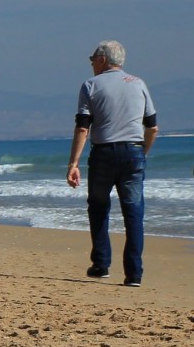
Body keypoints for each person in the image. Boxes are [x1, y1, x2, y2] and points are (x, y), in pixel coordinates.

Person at [67, 40, 157, 287]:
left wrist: (73, 163)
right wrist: (142, 153)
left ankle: (101, 264)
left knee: (98, 207)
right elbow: (152, 126)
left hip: (104, 153)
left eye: (92, 58)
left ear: (102, 59)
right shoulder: (138, 84)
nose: (91, 63)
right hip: (134, 152)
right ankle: (134, 274)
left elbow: (83, 127)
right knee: (134, 213)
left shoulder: (90, 85)